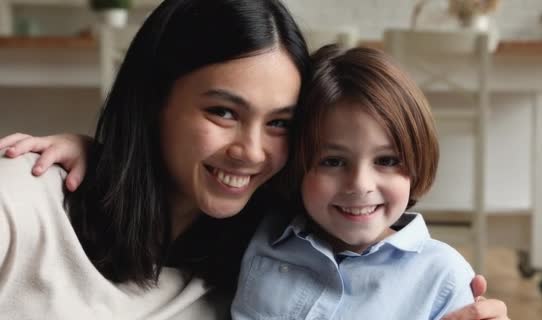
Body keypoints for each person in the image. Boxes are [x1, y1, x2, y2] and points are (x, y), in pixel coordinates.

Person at [0, 0, 509, 319]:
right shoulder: (18, 205)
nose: (252, 151)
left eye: (280, 123)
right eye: (223, 111)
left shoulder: (259, 249)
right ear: (154, 100)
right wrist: (100, 153)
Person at [231, 44, 475, 319]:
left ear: (417, 158)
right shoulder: (263, 232)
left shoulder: (442, 276)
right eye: (333, 162)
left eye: (386, 161)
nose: (360, 185)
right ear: (298, 165)